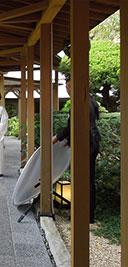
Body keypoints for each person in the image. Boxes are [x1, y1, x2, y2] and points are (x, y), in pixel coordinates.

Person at [52, 78, 100, 223]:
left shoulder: (82, 101)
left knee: (83, 179)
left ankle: (83, 214)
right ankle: (87, 214)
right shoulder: (90, 100)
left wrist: (57, 138)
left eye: (70, 86)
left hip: (86, 145)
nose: (68, 90)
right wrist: (68, 140)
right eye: (66, 87)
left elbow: (74, 125)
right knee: (88, 180)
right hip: (90, 142)